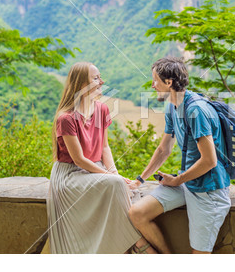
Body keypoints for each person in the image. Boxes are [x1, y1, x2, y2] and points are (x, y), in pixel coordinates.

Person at [47, 61, 155, 254]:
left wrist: (114, 172)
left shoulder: (102, 110)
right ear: (81, 84)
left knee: (123, 187)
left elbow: (105, 146)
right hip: (71, 174)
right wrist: (110, 176)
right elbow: (78, 159)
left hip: (94, 169)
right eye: (96, 78)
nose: (102, 81)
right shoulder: (67, 118)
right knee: (115, 184)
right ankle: (138, 243)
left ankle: (128, 243)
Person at [128, 56, 231, 254]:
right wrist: (141, 179)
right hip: (187, 183)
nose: (152, 85)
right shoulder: (173, 106)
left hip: (208, 191)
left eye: (155, 80)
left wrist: (177, 181)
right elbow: (163, 149)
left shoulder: (196, 111)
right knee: (137, 213)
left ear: (168, 82)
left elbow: (210, 160)